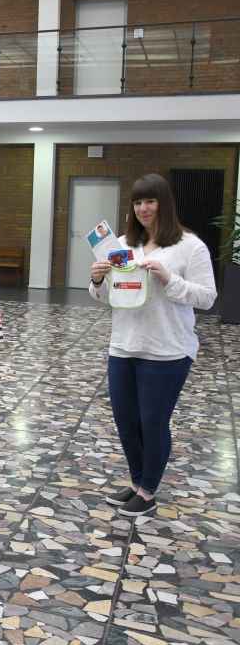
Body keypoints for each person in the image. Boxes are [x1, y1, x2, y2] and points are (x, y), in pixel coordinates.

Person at [89, 173, 216, 517]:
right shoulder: (122, 245)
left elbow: (207, 297)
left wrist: (168, 278)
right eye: (138, 202)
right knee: (126, 421)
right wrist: (98, 280)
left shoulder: (190, 246)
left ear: (165, 203)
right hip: (124, 346)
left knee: (152, 421)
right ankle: (135, 481)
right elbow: (107, 298)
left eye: (150, 201)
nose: (143, 208)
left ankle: (148, 490)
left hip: (168, 351)